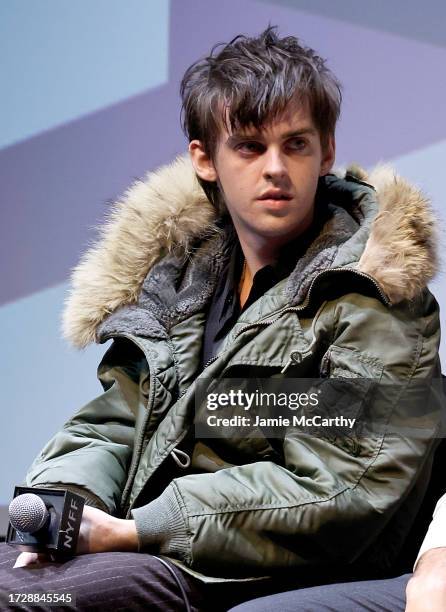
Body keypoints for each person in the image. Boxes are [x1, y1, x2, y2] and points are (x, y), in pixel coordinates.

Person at [0, 26, 442, 611]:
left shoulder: (379, 296)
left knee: (29, 600)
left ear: (327, 151)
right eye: (251, 147)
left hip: (266, 564)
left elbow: (341, 490)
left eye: (297, 145)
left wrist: (135, 530)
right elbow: (114, 423)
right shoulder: (181, 274)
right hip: (156, 540)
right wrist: (65, 506)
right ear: (205, 160)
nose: (276, 169)